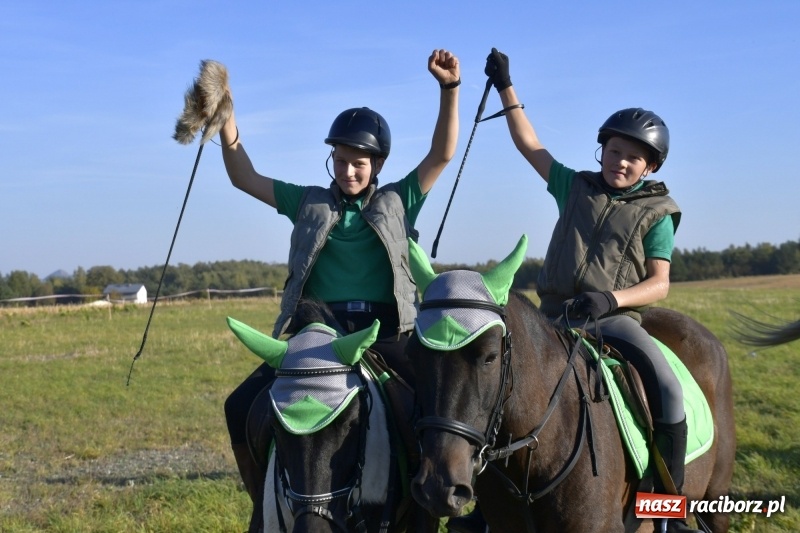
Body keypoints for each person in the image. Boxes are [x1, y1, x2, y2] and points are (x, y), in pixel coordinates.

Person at [219, 49, 461, 532]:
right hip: (318, 333)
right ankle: (263, 503)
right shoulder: (305, 201)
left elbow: (442, 154)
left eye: (360, 164)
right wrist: (226, 117)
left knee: (431, 414)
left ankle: (425, 509)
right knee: (242, 405)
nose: (349, 171)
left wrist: (449, 91)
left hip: (386, 332)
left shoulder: (398, 200)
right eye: (342, 160)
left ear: (378, 164)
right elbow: (243, 176)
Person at [484, 48, 699, 533]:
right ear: (601, 149)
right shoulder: (574, 186)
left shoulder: (658, 213)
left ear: (649, 166)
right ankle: (486, 501)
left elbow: (660, 284)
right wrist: (505, 86)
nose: (621, 162)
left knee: (666, 389)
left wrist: (612, 300)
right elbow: (529, 144)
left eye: (633, 157)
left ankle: (667, 509)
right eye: (615, 151)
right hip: (553, 318)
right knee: (493, 385)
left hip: (613, 320)